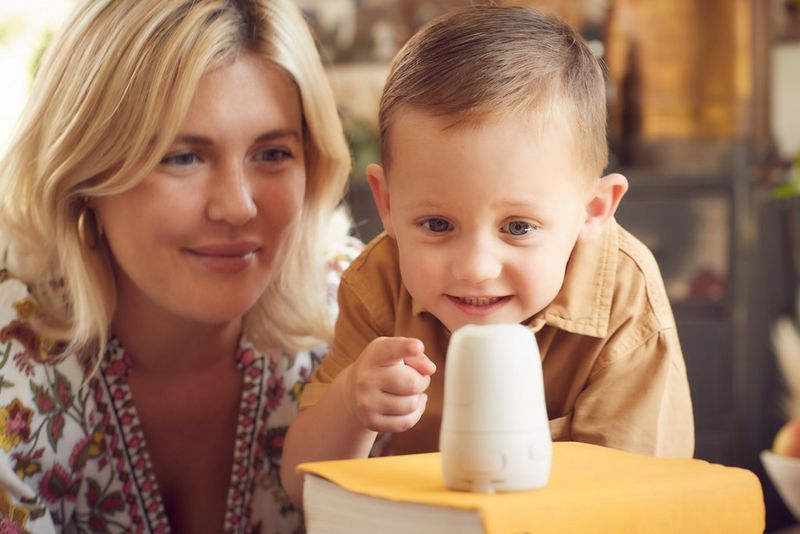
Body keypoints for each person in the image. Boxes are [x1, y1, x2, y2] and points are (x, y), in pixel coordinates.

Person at [281, 4, 695, 506]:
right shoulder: (377, 284)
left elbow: (642, 504)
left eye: (518, 228)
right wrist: (350, 404)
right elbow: (301, 486)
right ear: (387, 204)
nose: (476, 268)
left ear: (593, 211)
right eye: (437, 225)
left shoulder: (624, 301)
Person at [0, 0, 358, 531]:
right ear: (85, 178)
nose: (237, 207)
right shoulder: (13, 365)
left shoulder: (361, 322)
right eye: (182, 157)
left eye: (273, 153)